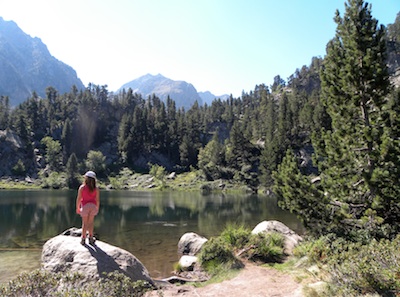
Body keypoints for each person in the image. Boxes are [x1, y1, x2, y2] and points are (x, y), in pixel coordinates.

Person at [76, 170, 100, 245]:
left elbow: (79, 198)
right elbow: (97, 200)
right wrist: (97, 208)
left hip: (85, 206)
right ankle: (90, 238)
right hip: (93, 206)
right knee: (91, 223)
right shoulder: (96, 188)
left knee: (84, 223)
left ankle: (83, 238)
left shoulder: (82, 187)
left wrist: (77, 207)